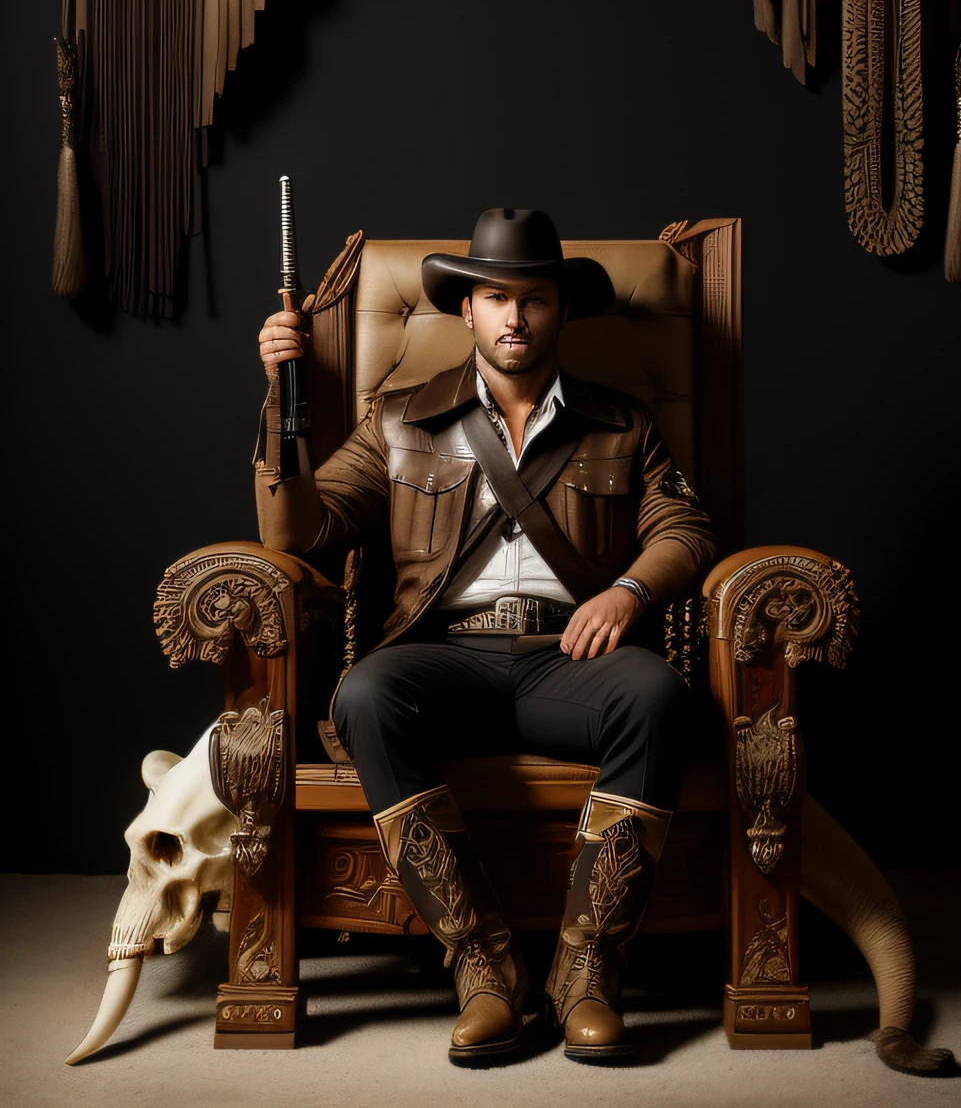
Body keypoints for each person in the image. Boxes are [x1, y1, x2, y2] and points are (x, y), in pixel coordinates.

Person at [256, 207, 715, 1064]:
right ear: (464, 310)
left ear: (560, 310)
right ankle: (486, 969)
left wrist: (625, 591)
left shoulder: (623, 423)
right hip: (444, 658)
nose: (514, 317)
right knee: (364, 694)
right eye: (495, 298)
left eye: (533, 299)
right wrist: (277, 404)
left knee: (655, 694)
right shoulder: (398, 421)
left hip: (567, 659)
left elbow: (684, 529)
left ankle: (585, 978)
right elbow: (297, 536)